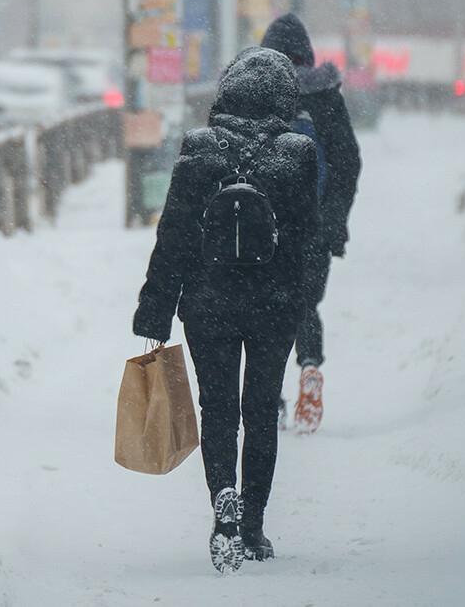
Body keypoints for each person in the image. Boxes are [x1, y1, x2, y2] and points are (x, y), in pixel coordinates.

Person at [132, 48, 321, 572]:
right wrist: (302, 310)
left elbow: (172, 236)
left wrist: (155, 309)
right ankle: (255, 527)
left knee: (218, 409)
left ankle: (224, 510)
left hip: (208, 304)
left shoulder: (201, 149)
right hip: (272, 307)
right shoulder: (297, 154)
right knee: (260, 412)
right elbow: (308, 242)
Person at [260, 13, 363, 434]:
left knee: (265, 312)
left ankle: (270, 399)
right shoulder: (324, 96)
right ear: (307, 54)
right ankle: (309, 367)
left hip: (262, 227)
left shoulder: (255, 91)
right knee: (304, 304)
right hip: (314, 226)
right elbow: (348, 161)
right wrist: (333, 220)